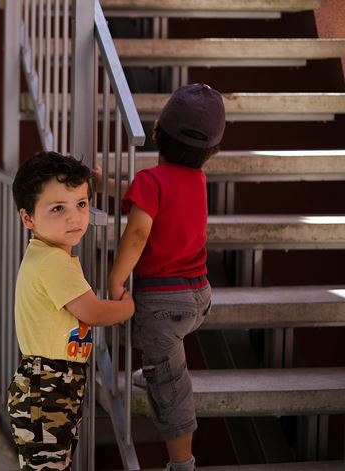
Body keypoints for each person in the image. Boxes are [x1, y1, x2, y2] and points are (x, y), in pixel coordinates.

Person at [109, 83, 225, 471]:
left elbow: (139, 232)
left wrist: (115, 278)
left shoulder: (151, 181)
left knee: (172, 390)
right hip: (199, 296)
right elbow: (156, 203)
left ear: (157, 131)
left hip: (163, 305)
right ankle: (153, 368)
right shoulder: (197, 181)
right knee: (160, 350)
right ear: (212, 150)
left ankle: (182, 465)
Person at [8, 151, 135, 470]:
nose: (74, 217)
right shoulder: (52, 262)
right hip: (46, 386)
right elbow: (92, 311)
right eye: (57, 208)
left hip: (51, 383)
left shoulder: (47, 255)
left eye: (81, 204)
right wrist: (126, 308)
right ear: (28, 218)